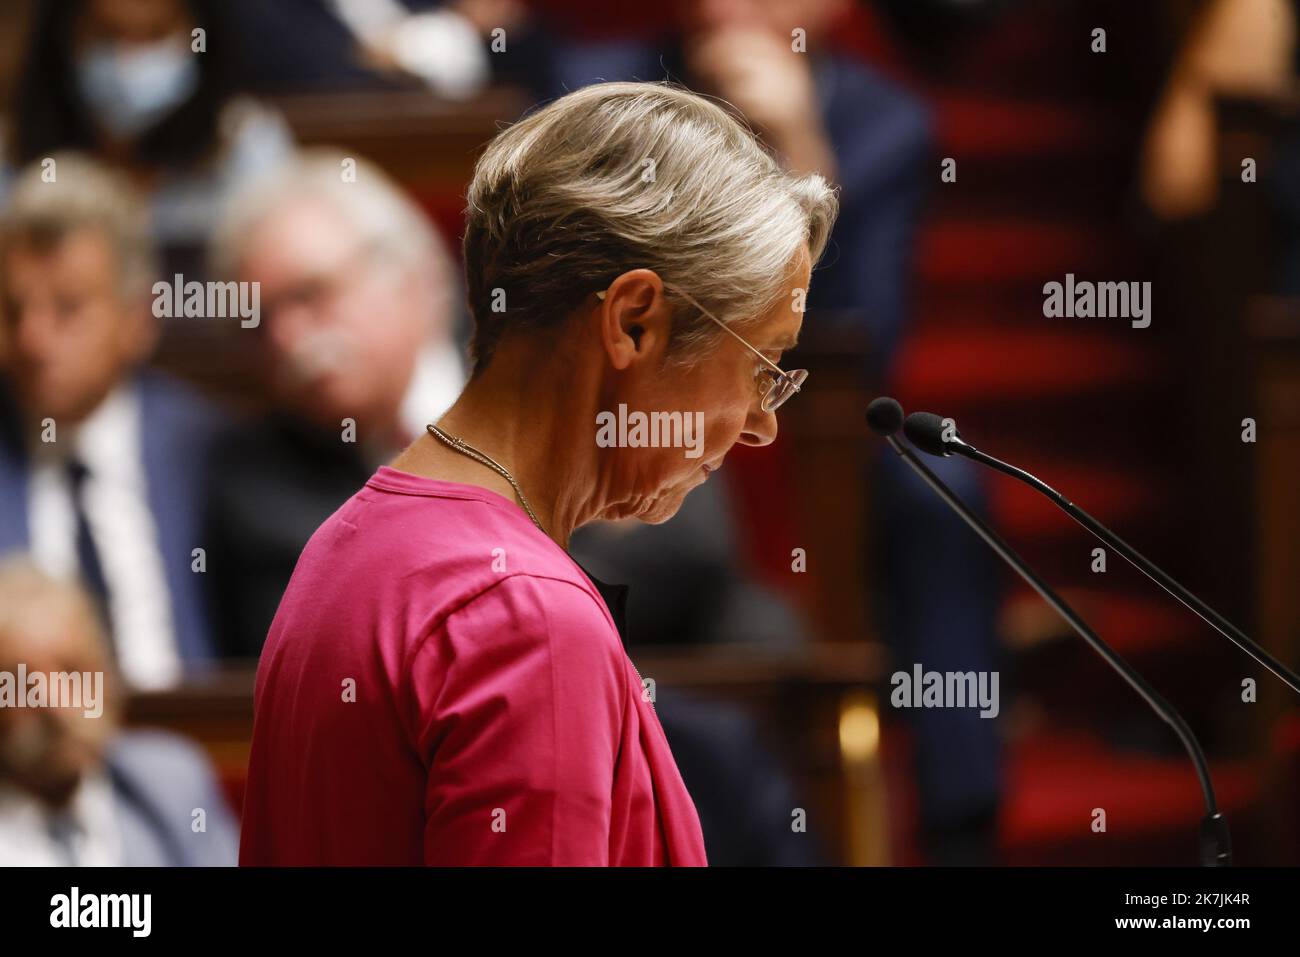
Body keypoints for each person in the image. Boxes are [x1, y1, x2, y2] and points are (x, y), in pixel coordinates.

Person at [239, 81, 838, 865]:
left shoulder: (348, 540)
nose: (763, 424)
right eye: (764, 365)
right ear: (633, 322)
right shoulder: (528, 617)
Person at [204, 149, 464, 658]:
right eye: (258, 322)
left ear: (415, 276)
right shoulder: (257, 486)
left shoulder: (533, 383)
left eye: (310, 295)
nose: (287, 339)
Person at [0, 153, 227, 689]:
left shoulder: (208, 452)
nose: (32, 340)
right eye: (12, 311)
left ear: (136, 321)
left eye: (68, 308)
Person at [0, 555, 239, 866]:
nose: (57, 708)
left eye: (75, 674)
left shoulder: (171, 785)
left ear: (108, 676)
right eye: (23, 686)